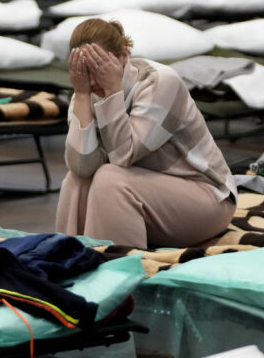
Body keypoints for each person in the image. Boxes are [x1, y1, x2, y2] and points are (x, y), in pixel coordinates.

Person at [55, 19, 237, 248]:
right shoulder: (86, 89)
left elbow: (123, 156)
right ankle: (69, 257)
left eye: (99, 66)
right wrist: (81, 96)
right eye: (84, 69)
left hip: (207, 200)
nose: (92, 80)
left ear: (124, 55)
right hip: (148, 200)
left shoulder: (160, 82)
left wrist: (112, 91)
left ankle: (117, 268)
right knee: (76, 180)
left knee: (110, 178)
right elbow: (81, 166)